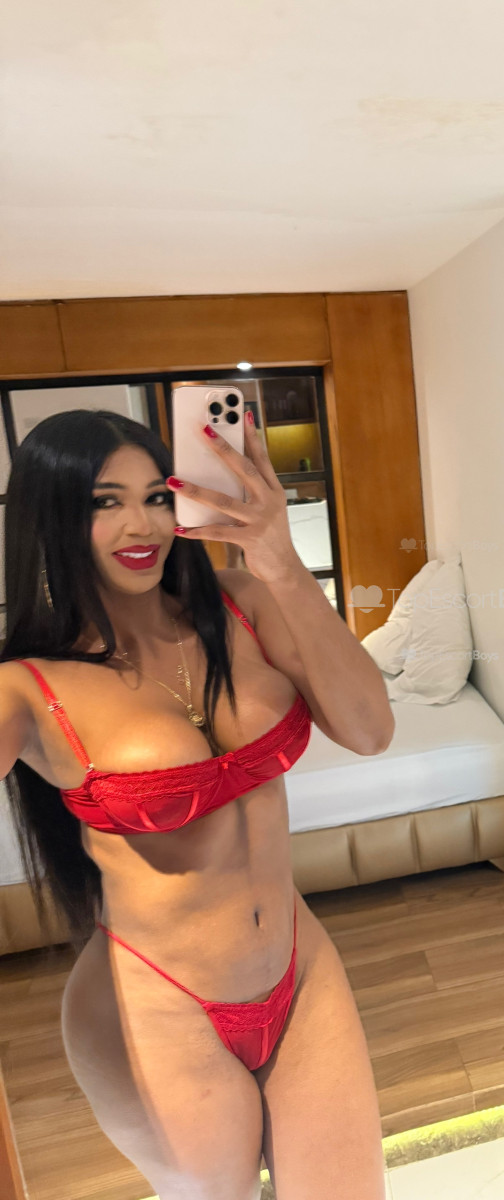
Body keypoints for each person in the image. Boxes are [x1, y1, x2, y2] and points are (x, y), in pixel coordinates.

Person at [0, 408, 394, 1200]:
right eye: (104, 502)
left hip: (298, 969)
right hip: (157, 1004)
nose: (141, 525)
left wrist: (280, 562)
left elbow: (371, 730)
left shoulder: (243, 602)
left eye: (157, 495)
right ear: (51, 518)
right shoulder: (27, 685)